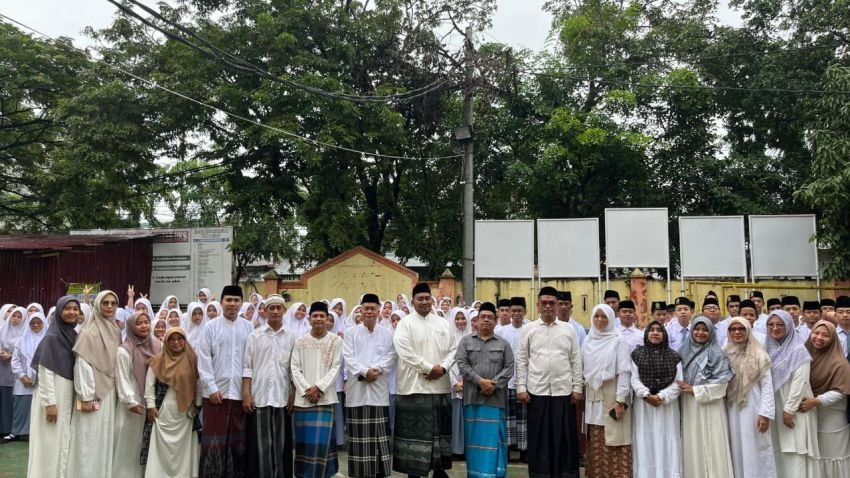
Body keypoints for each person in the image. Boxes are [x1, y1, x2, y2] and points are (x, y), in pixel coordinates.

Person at [516, 286, 583, 478]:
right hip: (536, 392)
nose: (548, 306)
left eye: (551, 303)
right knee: (539, 439)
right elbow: (522, 359)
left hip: (564, 392)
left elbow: (576, 360)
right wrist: (521, 387)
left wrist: (577, 387)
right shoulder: (529, 329)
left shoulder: (568, 330)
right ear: (538, 305)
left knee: (564, 439)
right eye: (544, 303)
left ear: (557, 305)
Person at [392, 283, 457, 478]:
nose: (424, 302)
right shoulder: (405, 324)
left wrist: (443, 367)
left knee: (439, 432)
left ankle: (439, 470)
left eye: (427, 298)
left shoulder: (443, 323)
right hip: (413, 388)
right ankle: (413, 473)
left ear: (432, 300)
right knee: (413, 436)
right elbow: (404, 351)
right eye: (420, 299)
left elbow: (454, 348)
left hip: (440, 386)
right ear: (413, 301)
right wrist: (429, 368)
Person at [196, 285, 254, 478]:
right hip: (215, 395)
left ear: (241, 303)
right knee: (214, 441)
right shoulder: (210, 327)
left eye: (236, 300)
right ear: (221, 302)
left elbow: (250, 361)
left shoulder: (248, 327)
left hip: (239, 394)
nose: (232, 304)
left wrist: (247, 391)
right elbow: (204, 360)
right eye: (228, 300)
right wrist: (211, 388)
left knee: (237, 443)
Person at [66, 290, 122, 477]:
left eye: (113, 303)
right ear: (97, 305)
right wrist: (86, 396)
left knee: (103, 438)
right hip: (91, 395)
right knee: (88, 437)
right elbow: (82, 366)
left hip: (109, 393)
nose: (109, 306)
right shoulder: (88, 332)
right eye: (105, 303)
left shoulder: (115, 331)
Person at [455, 302, 513, 478]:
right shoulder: (466, 342)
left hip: (495, 402)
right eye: (483, 317)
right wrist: (480, 382)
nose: (486, 320)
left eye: (490, 317)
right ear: (477, 321)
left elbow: (509, 367)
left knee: (495, 442)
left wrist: (493, 385)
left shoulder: (503, 344)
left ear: (495, 321)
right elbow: (462, 364)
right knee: (475, 443)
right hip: (472, 400)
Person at [341, 293, 397, 478]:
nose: (370, 312)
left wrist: (376, 370)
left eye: (373, 308)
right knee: (358, 440)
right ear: (361, 310)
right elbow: (348, 357)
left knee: (379, 438)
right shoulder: (351, 333)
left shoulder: (387, 334)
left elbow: (391, 356)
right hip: (357, 393)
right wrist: (365, 372)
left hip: (379, 392)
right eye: (366, 308)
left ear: (379, 310)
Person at [242, 294, 296, 478]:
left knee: (281, 444)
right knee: (260, 445)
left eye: (278, 308)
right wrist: (246, 394)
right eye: (271, 308)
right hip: (260, 396)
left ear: (284, 311)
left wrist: (293, 394)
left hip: (282, 396)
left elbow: (293, 370)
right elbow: (247, 367)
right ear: (264, 311)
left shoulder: (291, 338)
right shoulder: (255, 336)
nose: (275, 311)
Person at [26, 296, 80, 478]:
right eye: (67, 308)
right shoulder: (52, 338)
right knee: (48, 445)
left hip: (65, 395)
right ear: (58, 312)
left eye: (75, 309)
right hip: (53, 397)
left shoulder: (72, 335)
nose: (72, 312)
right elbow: (44, 373)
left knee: (60, 442)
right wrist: (50, 404)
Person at [677, 317, 735, 477]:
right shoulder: (683, 352)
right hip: (689, 405)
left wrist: (695, 389)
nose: (700, 333)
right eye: (697, 329)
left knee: (714, 443)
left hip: (712, 404)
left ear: (711, 332)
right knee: (693, 443)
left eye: (705, 330)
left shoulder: (717, 353)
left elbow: (722, 384)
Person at [141, 327, 202, 477]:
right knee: (162, 449)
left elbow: (199, 383)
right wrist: (151, 406)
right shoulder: (158, 360)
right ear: (166, 342)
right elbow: (149, 385)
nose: (176, 342)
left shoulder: (192, 359)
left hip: (186, 414)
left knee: (183, 449)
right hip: (164, 411)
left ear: (185, 340)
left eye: (180, 339)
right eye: (172, 339)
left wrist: (197, 404)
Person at [291, 302, 343, 478]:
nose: (319, 319)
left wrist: (319, 388)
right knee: (305, 444)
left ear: (327, 319)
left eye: (322, 316)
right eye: (315, 316)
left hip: (325, 399)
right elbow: (294, 368)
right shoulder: (300, 341)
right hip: (303, 401)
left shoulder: (335, 341)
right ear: (310, 318)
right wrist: (308, 390)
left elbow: (336, 367)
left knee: (323, 444)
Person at [765, 310, 819, 478]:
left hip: (794, 407)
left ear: (789, 326)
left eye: (780, 324)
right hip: (774, 406)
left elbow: (800, 382)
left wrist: (789, 409)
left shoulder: (798, 350)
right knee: (778, 450)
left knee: (796, 448)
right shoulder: (765, 348)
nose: (775, 328)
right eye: (771, 324)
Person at [582, 304, 632, 478]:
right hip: (593, 398)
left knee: (615, 440)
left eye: (604, 317)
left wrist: (620, 401)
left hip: (612, 396)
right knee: (596, 440)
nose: (600, 320)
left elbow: (624, 372)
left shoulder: (618, 341)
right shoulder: (588, 341)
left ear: (611, 319)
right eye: (597, 316)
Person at [724, 317, 776, 478]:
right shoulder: (724, 353)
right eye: (733, 329)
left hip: (754, 406)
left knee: (756, 447)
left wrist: (765, 414)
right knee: (736, 447)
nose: (737, 332)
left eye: (741, 329)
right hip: (731, 407)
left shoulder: (759, 354)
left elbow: (767, 386)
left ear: (748, 331)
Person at [630, 321, 683, 478]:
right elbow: (634, 379)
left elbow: (678, 383)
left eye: (659, 330)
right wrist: (646, 395)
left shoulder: (674, 356)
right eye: (651, 330)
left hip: (667, 406)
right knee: (646, 442)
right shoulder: (637, 355)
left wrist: (661, 396)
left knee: (666, 441)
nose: (655, 333)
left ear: (664, 335)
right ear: (646, 334)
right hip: (644, 406)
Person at [114, 312, 161, 478]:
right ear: (131, 327)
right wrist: (130, 401)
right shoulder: (124, 350)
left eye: (146, 322)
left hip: (152, 400)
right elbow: (122, 378)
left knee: (147, 440)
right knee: (129, 439)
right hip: (133, 402)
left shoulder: (157, 345)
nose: (144, 326)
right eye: (139, 323)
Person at [800, 320, 850, 475]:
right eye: (816, 333)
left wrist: (817, 401)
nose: (819, 338)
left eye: (825, 335)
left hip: (831, 415)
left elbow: (841, 391)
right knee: (816, 456)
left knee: (832, 455)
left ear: (833, 338)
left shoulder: (840, 363)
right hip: (810, 413)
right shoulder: (803, 356)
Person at [496, 296, 528, 461]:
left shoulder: (529, 329)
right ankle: (507, 450)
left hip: (525, 381)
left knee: (524, 417)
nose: (516, 314)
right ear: (509, 312)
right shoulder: (501, 331)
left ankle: (524, 451)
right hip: (506, 382)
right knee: (507, 417)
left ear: (525, 312)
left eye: (519, 311)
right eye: (513, 311)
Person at [7, 312, 46, 442]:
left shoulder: (48, 340)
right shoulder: (21, 341)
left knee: (39, 408)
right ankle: (17, 432)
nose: (35, 325)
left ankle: (36, 434)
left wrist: (40, 377)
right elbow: (15, 360)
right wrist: (22, 376)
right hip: (23, 380)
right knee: (21, 407)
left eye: (38, 322)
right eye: (32, 323)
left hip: (43, 380)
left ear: (43, 323)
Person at [448, 307, 471, 458]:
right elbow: (447, 361)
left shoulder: (473, 337)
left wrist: (467, 380)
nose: (460, 321)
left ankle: (468, 449)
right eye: (457, 319)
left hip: (469, 382)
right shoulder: (449, 338)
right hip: (454, 383)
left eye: (463, 318)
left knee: (469, 417)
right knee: (455, 417)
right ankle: (456, 449)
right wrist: (454, 382)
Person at [0, 306, 26, 438]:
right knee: (3, 398)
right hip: (2, 369)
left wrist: (11, 355)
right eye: (14, 316)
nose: (15, 319)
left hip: (17, 372)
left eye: (19, 317)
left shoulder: (25, 333)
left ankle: (11, 429)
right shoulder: (2, 329)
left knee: (12, 400)